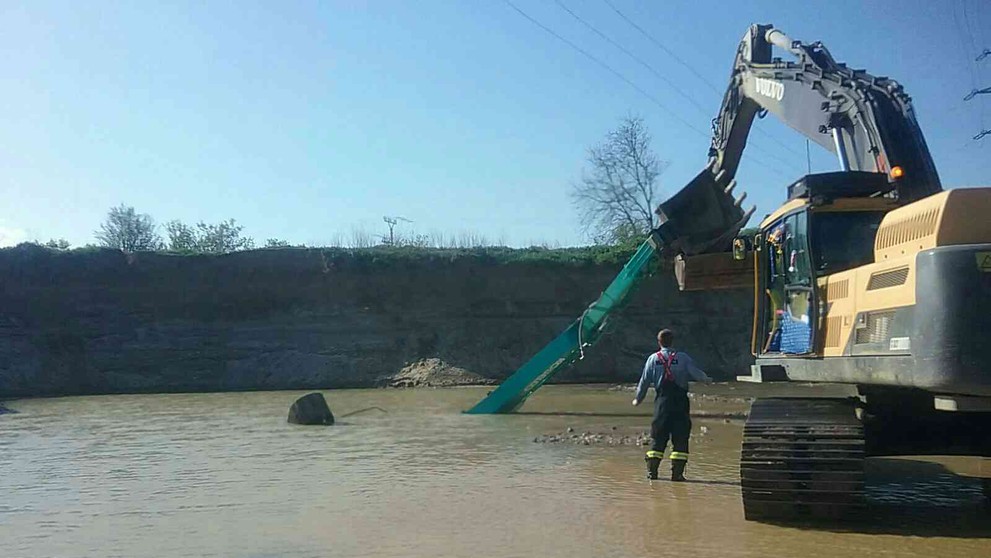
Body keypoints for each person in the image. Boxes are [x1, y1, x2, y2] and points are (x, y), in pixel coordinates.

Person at [632, 328, 713, 481]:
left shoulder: (652, 359)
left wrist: (638, 399)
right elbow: (696, 374)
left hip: (662, 404)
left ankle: (652, 473)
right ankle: (677, 475)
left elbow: (644, 382)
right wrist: (707, 380)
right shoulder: (683, 358)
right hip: (680, 404)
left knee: (658, 437)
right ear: (672, 341)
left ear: (659, 342)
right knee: (680, 438)